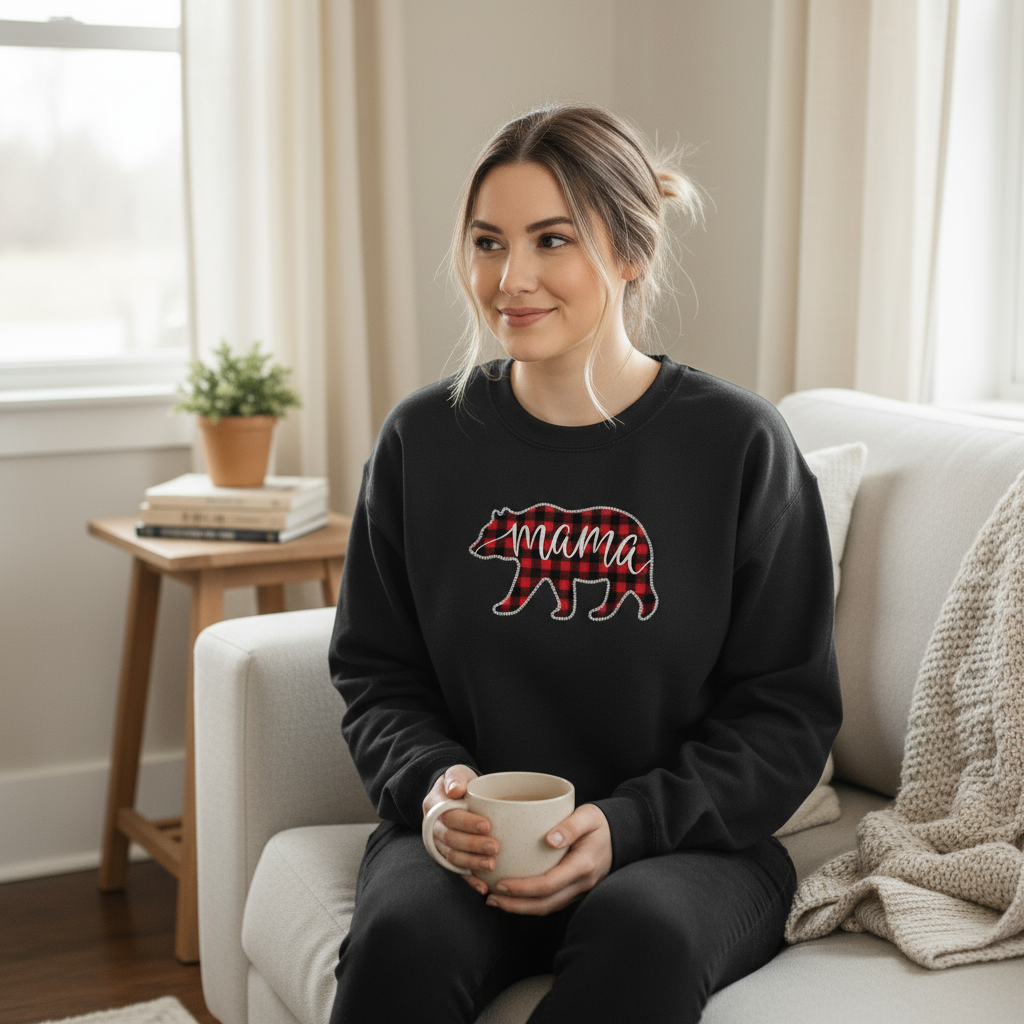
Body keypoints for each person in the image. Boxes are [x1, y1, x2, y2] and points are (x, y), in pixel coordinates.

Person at [328, 103, 842, 1024]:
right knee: (404, 939)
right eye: (488, 243)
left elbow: (786, 716)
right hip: (474, 843)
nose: (510, 278)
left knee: (641, 932)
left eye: (551, 241)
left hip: (686, 852)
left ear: (630, 251)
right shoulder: (423, 442)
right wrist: (434, 789)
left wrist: (628, 826)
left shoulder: (739, 446)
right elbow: (377, 674)